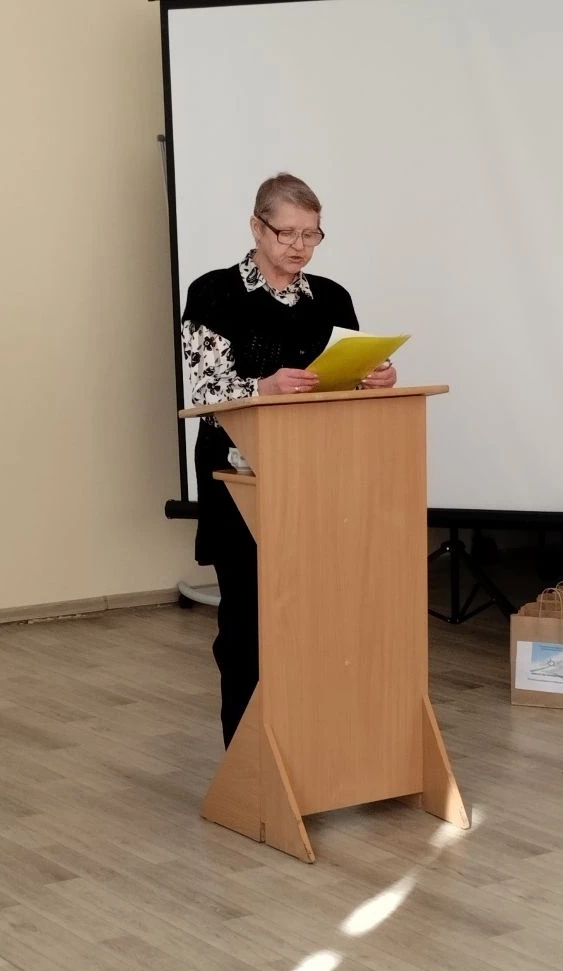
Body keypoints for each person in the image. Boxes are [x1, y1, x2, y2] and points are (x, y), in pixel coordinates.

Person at [181, 173, 397, 748]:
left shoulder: (332, 298)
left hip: (319, 476)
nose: (300, 246)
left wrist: (373, 378)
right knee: (249, 622)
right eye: (287, 233)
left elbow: (339, 381)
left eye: (312, 234)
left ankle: (314, 748)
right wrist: (263, 387)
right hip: (240, 477)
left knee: (320, 619)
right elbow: (204, 392)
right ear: (257, 228)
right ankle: (249, 758)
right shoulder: (213, 293)